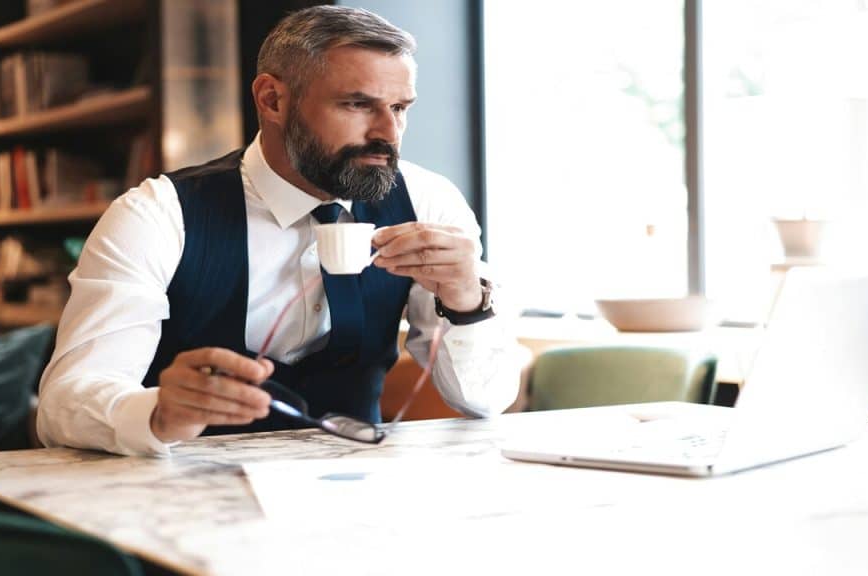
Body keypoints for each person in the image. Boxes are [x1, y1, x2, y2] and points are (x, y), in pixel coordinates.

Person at [37, 6, 520, 456]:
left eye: (399, 108)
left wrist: (465, 298)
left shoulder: (429, 203)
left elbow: (484, 401)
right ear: (272, 99)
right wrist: (159, 412)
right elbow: (63, 403)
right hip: (183, 496)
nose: (388, 134)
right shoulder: (157, 215)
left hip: (360, 489)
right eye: (357, 104)